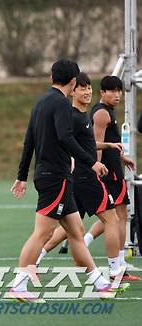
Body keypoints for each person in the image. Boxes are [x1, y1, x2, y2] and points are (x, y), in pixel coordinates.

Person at [11, 60, 127, 303]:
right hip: (56, 177)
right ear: (73, 80)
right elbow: (65, 138)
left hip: (50, 175)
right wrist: (91, 162)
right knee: (42, 233)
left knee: (76, 231)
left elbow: (28, 140)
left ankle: (100, 282)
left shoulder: (41, 102)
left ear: (53, 76)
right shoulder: (62, 104)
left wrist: (22, 175)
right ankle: (18, 284)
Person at [86, 75, 140, 281]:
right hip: (107, 173)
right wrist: (97, 169)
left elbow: (110, 142)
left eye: (119, 91)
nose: (117, 95)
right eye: (113, 91)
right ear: (103, 93)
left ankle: (118, 267)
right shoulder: (101, 113)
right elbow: (97, 144)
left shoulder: (109, 112)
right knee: (114, 218)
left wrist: (122, 158)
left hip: (114, 170)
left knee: (118, 217)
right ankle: (116, 268)